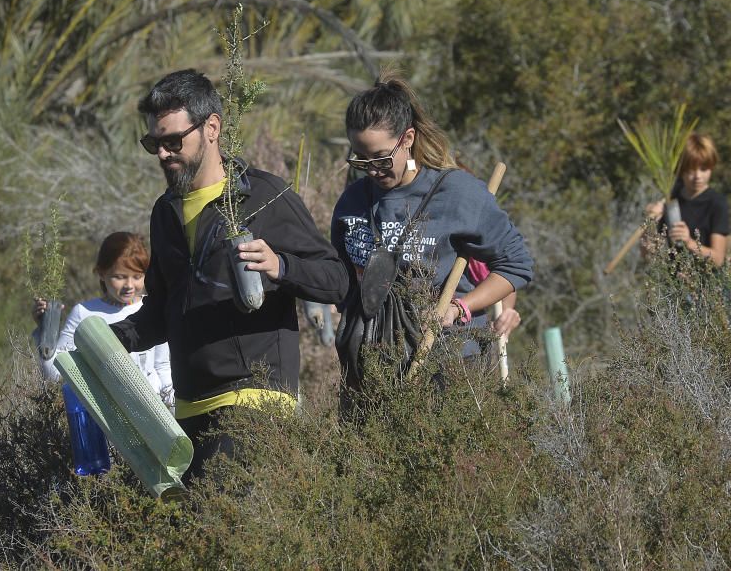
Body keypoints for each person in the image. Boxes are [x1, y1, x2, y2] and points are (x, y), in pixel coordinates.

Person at [109, 69, 349, 484]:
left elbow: (336, 279)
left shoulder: (264, 197)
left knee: (218, 522)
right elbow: (164, 310)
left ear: (212, 128)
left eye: (172, 141)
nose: (163, 154)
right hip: (186, 413)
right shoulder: (164, 211)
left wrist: (281, 267)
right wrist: (108, 341)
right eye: (154, 144)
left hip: (255, 403)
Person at [330, 72, 533, 390]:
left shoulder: (458, 193)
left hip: (448, 365)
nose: (372, 170)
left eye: (381, 158)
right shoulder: (352, 202)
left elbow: (515, 265)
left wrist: (458, 308)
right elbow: (341, 277)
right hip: (369, 369)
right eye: (361, 159)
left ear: (407, 138)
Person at [32, 232, 174, 407]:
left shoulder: (153, 309)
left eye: (137, 276)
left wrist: (173, 413)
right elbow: (57, 374)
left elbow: (162, 367)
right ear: (101, 273)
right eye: (119, 277)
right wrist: (46, 332)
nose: (129, 285)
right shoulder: (84, 313)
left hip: (153, 413)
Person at [644, 134, 730, 267]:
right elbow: (646, 255)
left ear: (711, 167)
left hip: (707, 285)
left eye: (703, 169)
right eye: (691, 170)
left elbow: (718, 259)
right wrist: (649, 223)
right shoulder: (670, 199)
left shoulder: (717, 203)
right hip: (673, 284)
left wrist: (689, 242)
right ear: (681, 169)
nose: (697, 176)